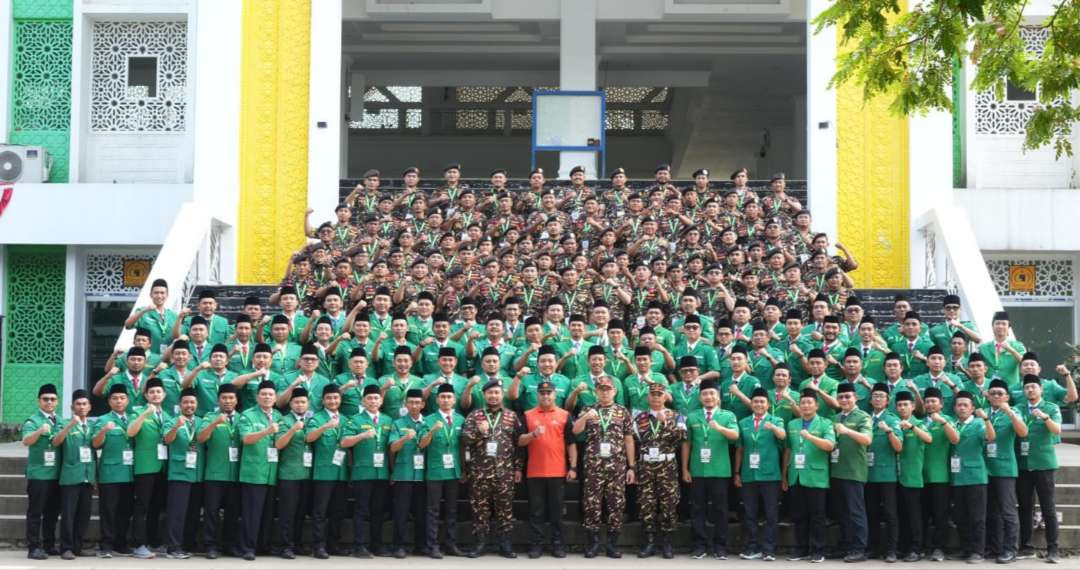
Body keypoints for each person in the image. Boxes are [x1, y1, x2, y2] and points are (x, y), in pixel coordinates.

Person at [573, 375, 635, 559]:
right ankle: (593, 544)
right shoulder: (588, 409)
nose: (605, 392)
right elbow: (575, 431)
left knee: (616, 504)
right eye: (601, 389)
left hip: (616, 465)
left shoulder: (622, 411)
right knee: (592, 504)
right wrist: (585, 417)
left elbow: (629, 439)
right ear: (596, 391)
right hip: (593, 465)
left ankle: (612, 545)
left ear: (614, 391)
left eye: (608, 389)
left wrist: (631, 466)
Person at [462, 380, 523, 558]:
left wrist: (518, 468)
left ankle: (505, 544)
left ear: (502, 394)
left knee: (505, 509)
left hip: (504, 472)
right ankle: (480, 543)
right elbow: (465, 440)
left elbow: (518, 444)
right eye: (490, 393)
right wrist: (479, 432)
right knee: (480, 510)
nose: (493, 396)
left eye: (496, 392)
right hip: (479, 472)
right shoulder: (475, 416)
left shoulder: (511, 416)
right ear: (484, 395)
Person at [682, 378, 739, 559]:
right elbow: (686, 444)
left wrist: (719, 427)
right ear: (700, 397)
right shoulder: (692, 416)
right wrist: (685, 468)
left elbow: (735, 436)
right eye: (705, 394)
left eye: (712, 394)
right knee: (697, 508)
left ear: (718, 397)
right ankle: (699, 544)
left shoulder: (727, 416)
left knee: (720, 509)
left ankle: (720, 545)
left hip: (720, 470)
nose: (708, 397)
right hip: (698, 469)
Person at [519, 380, 576, 558]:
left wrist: (573, 466)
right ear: (537, 395)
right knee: (536, 511)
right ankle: (536, 544)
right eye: (542, 393)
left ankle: (557, 544)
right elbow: (519, 441)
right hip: (534, 471)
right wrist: (532, 434)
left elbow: (571, 443)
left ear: (554, 394)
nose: (545, 396)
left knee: (557, 512)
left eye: (549, 393)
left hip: (557, 472)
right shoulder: (528, 415)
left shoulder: (564, 415)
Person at [783, 388, 836, 563]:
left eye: (809, 402)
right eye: (802, 402)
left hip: (816, 476)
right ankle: (801, 549)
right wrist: (785, 475)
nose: (805, 405)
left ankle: (818, 550)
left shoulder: (825, 423)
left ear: (817, 405)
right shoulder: (792, 424)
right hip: (795, 474)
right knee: (799, 515)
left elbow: (830, 446)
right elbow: (789, 450)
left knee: (817, 515)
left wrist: (811, 437)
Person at [735, 387, 786, 561]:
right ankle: (752, 547)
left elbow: (783, 437)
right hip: (749, 474)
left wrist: (774, 428)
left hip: (770, 474)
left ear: (768, 404)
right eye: (755, 401)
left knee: (771, 513)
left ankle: (769, 549)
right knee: (750, 513)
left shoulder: (776, 420)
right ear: (751, 404)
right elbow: (740, 449)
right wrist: (737, 472)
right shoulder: (743, 423)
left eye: (762, 401)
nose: (758, 404)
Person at [632, 383, 683, 559]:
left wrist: (666, 422)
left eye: (659, 394)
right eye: (652, 394)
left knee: (669, 503)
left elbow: (681, 438)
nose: (655, 397)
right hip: (646, 467)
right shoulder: (640, 418)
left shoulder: (677, 416)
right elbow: (635, 441)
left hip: (666, 467)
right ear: (648, 397)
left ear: (665, 397)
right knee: (647, 504)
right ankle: (650, 542)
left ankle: (667, 543)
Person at [341, 384, 392, 558]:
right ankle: (359, 545)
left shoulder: (387, 420)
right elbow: (344, 442)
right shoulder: (355, 420)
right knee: (361, 510)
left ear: (381, 400)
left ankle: (377, 545)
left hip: (382, 472)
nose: (373, 401)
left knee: (378, 510)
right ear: (363, 401)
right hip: (363, 472)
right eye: (369, 398)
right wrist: (361, 436)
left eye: (376, 398)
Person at [1016, 374, 1062, 563]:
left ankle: (1053, 548)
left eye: (1034, 387)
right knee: (1025, 507)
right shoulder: (1018, 409)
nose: (1030, 390)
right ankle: (1026, 546)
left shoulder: (1051, 408)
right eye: (1027, 387)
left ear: (1041, 389)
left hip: (1044, 464)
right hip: (1023, 465)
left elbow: (1057, 430)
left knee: (1048, 508)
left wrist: (1045, 418)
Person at [946, 390, 995, 563]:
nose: (962, 408)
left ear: (972, 408)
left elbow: (990, 437)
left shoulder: (979, 424)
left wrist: (987, 419)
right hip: (957, 476)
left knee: (977, 516)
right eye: (959, 405)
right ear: (954, 408)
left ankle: (978, 551)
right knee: (960, 515)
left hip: (975, 476)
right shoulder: (951, 424)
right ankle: (965, 548)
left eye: (965, 405)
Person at [237, 380, 282, 561]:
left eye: (270, 394)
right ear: (257, 397)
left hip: (272, 471)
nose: (267, 397)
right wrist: (267, 431)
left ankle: (264, 545)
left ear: (275, 397)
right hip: (253, 471)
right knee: (251, 513)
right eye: (263, 394)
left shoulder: (279, 415)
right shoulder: (247, 415)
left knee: (267, 512)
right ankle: (247, 547)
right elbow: (246, 439)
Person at [420, 383, 466, 558]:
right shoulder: (429, 419)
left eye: (449, 397)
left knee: (452, 510)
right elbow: (421, 444)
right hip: (435, 471)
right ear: (437, 400)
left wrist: (464, 468)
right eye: (442, 397)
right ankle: (432, 545)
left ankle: (450, 543)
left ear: (454, 400)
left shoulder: (460, 420)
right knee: (433, 510)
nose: (446, 400)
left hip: (454, 471)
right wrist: (432, 431)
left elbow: (463, 447)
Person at [196, 383, 242, 559]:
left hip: (235, 473)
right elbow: (200, 438)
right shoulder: (209, 417)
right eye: (224, 398)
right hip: (215, 473)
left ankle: (229, 544)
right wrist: (215, 422)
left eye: (231, 398)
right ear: (218, 400)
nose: (228, 401)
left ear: (236, 400)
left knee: (233, 512)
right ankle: (210, 545)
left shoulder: (242, 419)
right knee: (212, 512)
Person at [985, 378, 1027, 564]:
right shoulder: (983, 413)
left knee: (1008, 511)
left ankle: (1011, 549)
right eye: (993, 393)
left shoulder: (1014, 412)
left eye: (1000, 394)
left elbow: (1023, 432)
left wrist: (1010, 412)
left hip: (1004, 468)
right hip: (985, 468)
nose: (996, 396)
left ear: (1007, 396)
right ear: (987, 395)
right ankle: (995, 547)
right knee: (992, 511)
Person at [126, 377, 169, 559]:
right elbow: (130, 432)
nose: (155, 394)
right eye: (151, 392)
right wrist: (145, 414)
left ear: (164, 395)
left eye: (158, 392)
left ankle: (154, 541)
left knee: (156, 507)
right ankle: (138, 544)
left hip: (163, 467)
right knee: (142, 506)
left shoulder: (167, 416)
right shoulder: (138, 413)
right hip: (145, 467)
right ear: (146, 395)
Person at [830, 382, 873, 562]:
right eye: (841, 397)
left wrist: (847, 431)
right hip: (837, 471)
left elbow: (867, 439)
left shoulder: (863, 417)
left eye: (848, 396)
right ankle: (846, 545)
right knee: (842, 512)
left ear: (855, 397)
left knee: (856, 512)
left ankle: (859, 548)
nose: (844, 400)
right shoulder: (836, 417)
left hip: (854, 471)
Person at [93, 383, 136, 558]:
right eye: (115, 398)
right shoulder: (103, 420)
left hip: (130, 472)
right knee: (109, 510)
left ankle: (121, 542)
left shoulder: (134, 418)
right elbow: (96, 443)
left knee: (125, 510)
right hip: (110, 473)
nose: (119, 401)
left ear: (128, 400)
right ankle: (106, 544)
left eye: (122, 398)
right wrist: (103, 431)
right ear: (109, 401)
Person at [306, 384, 349, 558]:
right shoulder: (316, 419)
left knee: (337, 511)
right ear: (323, 401)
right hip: (323, 472)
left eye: (336, 398)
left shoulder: (346, 420)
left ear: (340, 400)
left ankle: (334, 544)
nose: (332, 401)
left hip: (341, 471)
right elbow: (309, 438)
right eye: (329, 398)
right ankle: (319, 546)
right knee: (320, 511)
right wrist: (326, 426)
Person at [51, 389, 94, 559]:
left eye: (84, 404)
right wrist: (70, 425)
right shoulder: (63, 424)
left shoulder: (92, 426)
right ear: (72, 407)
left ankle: (78, 546)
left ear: (89, 407)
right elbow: (55, 442)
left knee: (84, 514)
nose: (82, 407)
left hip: (88, 476)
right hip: (70, 476)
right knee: (68, 514)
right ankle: (66, 547)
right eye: (78, 404)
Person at [162, 388, 203, 559]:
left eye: (192, 402)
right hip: (179, 472)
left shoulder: (202, 422)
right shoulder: (172, 421)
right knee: (177, 512)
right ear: (180, 405)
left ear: (197, 404)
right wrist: (176, 427)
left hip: (198, 472)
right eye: (185, 402)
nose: (189, 405)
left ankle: (187, 544)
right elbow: (167, 440)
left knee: (193, 512)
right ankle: (173, 547)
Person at [22, 383, 61, 560]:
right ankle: (33, 547)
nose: (49, 402)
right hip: (39, 475)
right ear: (39, 401)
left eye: (52, 399)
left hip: (57, 474)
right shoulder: (32, 421)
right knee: (36, 512)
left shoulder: (61, 421)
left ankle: (49, 544)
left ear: (57, 401)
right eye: (45, 399)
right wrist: (39, 431)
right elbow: (27, 441)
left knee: (52, 512)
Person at [864, 383, 903, 562]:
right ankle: (873, 547)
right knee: (871, 512)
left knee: (890, 513)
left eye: (881, 396)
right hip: (868, 473)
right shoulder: (865, 419)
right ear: (870, 400)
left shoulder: (893, 419)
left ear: (888, 400)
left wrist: (888, 432)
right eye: (875, 396)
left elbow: (898, 447)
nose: (878, 398)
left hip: (887, 474)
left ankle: (891, 550)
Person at [389, 388, 428, 558]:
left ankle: (421, 545)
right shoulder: (398, 423)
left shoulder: (428, 422)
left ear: (423, 404)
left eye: (417, 402)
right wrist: (405, 438)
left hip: (424, 474)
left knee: (422, 511)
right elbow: (392, 447)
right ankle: (399, 546)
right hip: (403, 472)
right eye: (411, 402)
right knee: (401, 511)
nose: (414, 405)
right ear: (406, 404)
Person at [894, 390, 931, 562]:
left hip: (913, 476)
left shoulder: (919, 423)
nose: (902, 408)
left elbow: (928, 438)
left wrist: (912, 427)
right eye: (899, 405)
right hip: (896, 476)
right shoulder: (894, 424)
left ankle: (917, 548)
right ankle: (903, 546)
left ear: (913, 406)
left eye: (905, 405)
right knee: (902, 513)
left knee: (914, 514)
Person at [274, 386, 311, 559]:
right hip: (289, 473)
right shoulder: (284, 420)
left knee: (301, 512)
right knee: (287, 512)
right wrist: (293, 429)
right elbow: (279, 444)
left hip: (307, 473)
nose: (300, 405)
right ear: (290, 403)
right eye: (296, 402)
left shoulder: (312, 420)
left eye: (303, 402)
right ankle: (285, 545)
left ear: (308, 404)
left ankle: (296, 543)